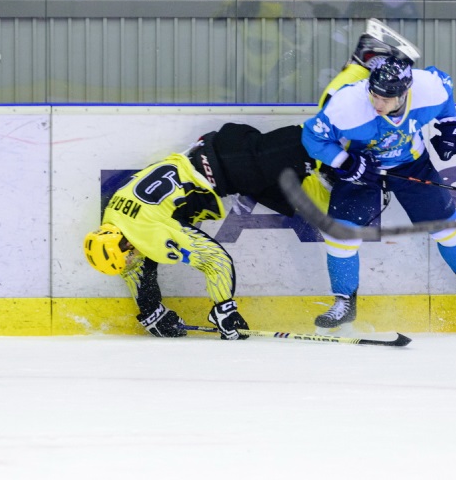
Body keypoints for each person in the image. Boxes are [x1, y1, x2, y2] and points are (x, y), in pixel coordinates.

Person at [302, 55, 456, 329]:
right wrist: (345, 162)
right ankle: (344, 303)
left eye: (386, 99)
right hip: (363, 168)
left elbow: (446, 89)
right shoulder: (347, 103)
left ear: (405, 93)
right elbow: (312, 136)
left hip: (411, 163)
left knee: (446, 226)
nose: (378, 105)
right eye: (374, 95)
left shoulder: (428, 88)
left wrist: (450, 122)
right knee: (341, 235)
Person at [83, 122, 333, 340]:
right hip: (224, 152)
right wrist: (151, 312)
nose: (131, 263)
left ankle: (345, 132)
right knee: (315, 201)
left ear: (126, 243)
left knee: (310, 142)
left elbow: (216, 261)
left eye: (128, 258)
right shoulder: (113, 217)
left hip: (239, 161)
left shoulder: (148, 233)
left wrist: (224, 310)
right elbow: (137, 271)